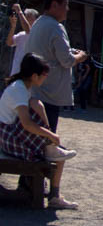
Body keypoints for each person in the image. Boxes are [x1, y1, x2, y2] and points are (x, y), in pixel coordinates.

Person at [0, 53, 78, 209]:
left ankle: (50, 149)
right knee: (59, 157)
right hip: (8, 138)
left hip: (8, 134)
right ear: (35, 76)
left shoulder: (21, 86)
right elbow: (27, 124)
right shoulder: (19, 90)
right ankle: (54, 197)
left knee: (36, 104)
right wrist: (50, 134)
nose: (45, 78)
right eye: (44, 75)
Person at [23, 0, 88, 131]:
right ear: (54, 5)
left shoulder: (39, 23)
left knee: (37, 132)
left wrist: (70, 51)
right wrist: (81, 56)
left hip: (36, 91)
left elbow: (49, 52)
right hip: (50, 93)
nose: (67, 9)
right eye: (65, 5)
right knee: (47, 133)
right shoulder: (56, 27)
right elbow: (67, 61)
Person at [6, 4, 38, 74]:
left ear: (36, 20)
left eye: (28, 16)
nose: (25, 18)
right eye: (25, 16)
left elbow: (28, 30)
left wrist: (19, 11)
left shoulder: (37, 33)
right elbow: (9, 43)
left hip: (28, 74)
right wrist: (13, 26)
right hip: (15, 72)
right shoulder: (21, 34)